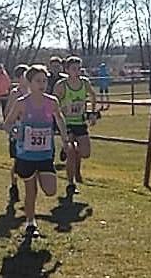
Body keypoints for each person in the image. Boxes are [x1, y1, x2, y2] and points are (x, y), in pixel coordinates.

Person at [4, 65, 68, 244]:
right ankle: (30, 223)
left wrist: (65, 140)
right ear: (29, 83)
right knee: (30, 191)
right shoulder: (22, 103)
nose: (42, 84)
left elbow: (59, 119)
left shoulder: (52, 101)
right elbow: (7, 123)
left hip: (45, 154)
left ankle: (39, 177)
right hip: (26, 155)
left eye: (45, 81)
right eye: (38, 81)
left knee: (50, 190)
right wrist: (14, 131)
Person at [53, 56, 98, 197]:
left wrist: (92, 112)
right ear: (67, 70)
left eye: (79, 68)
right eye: (74, 69)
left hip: (80, 121)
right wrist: (60, 112)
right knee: (72, 153)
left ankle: (68, 150)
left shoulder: (84, 83)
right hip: (66, 123)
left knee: (85, 152)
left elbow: (92, 95)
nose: (77, 71)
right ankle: (71, 184)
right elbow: (52, 101)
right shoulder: (61, 85)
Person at [5, 64, 30, 203]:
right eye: (25, 76)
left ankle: (29, 189)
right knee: (17, 160)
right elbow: (7, 112)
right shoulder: (15, 93)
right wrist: (12, 128)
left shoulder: (33, 92)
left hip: (31, 131)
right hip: (18, 129)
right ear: (19, 78)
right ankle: (14, 186)